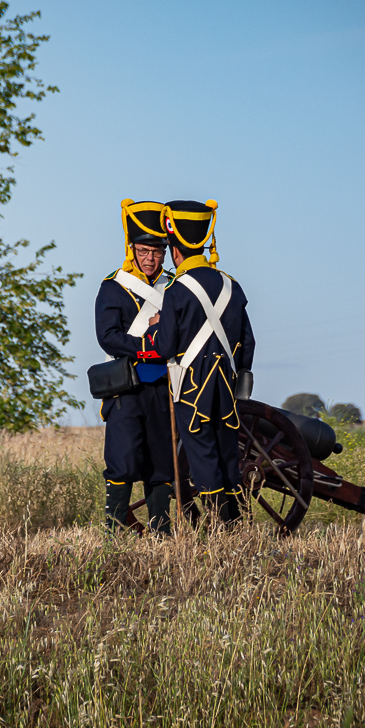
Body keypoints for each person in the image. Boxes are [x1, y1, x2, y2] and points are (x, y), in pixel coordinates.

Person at [150, 199, 255, 527]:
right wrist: (240, 377)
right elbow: (247, 341)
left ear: (175, 250)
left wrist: (156, 327)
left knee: (202, 455)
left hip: (192, 386)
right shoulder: (231, 285)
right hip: (226, 385)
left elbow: (166, 346)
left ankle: (220, 527)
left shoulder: (176, 291)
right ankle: (237, 526)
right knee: (227, 454)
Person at [95, 199, 178, 533]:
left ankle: (162, 530)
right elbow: (108, 337)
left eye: (158, 252)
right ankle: (114, 530)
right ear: (132, 249)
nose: (151, 258)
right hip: (125, 386)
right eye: (144, 250)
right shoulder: (112, 287)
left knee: (161, 461)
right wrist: (150, 344)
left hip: (162, 387)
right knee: (123, 459)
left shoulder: (173, 288)